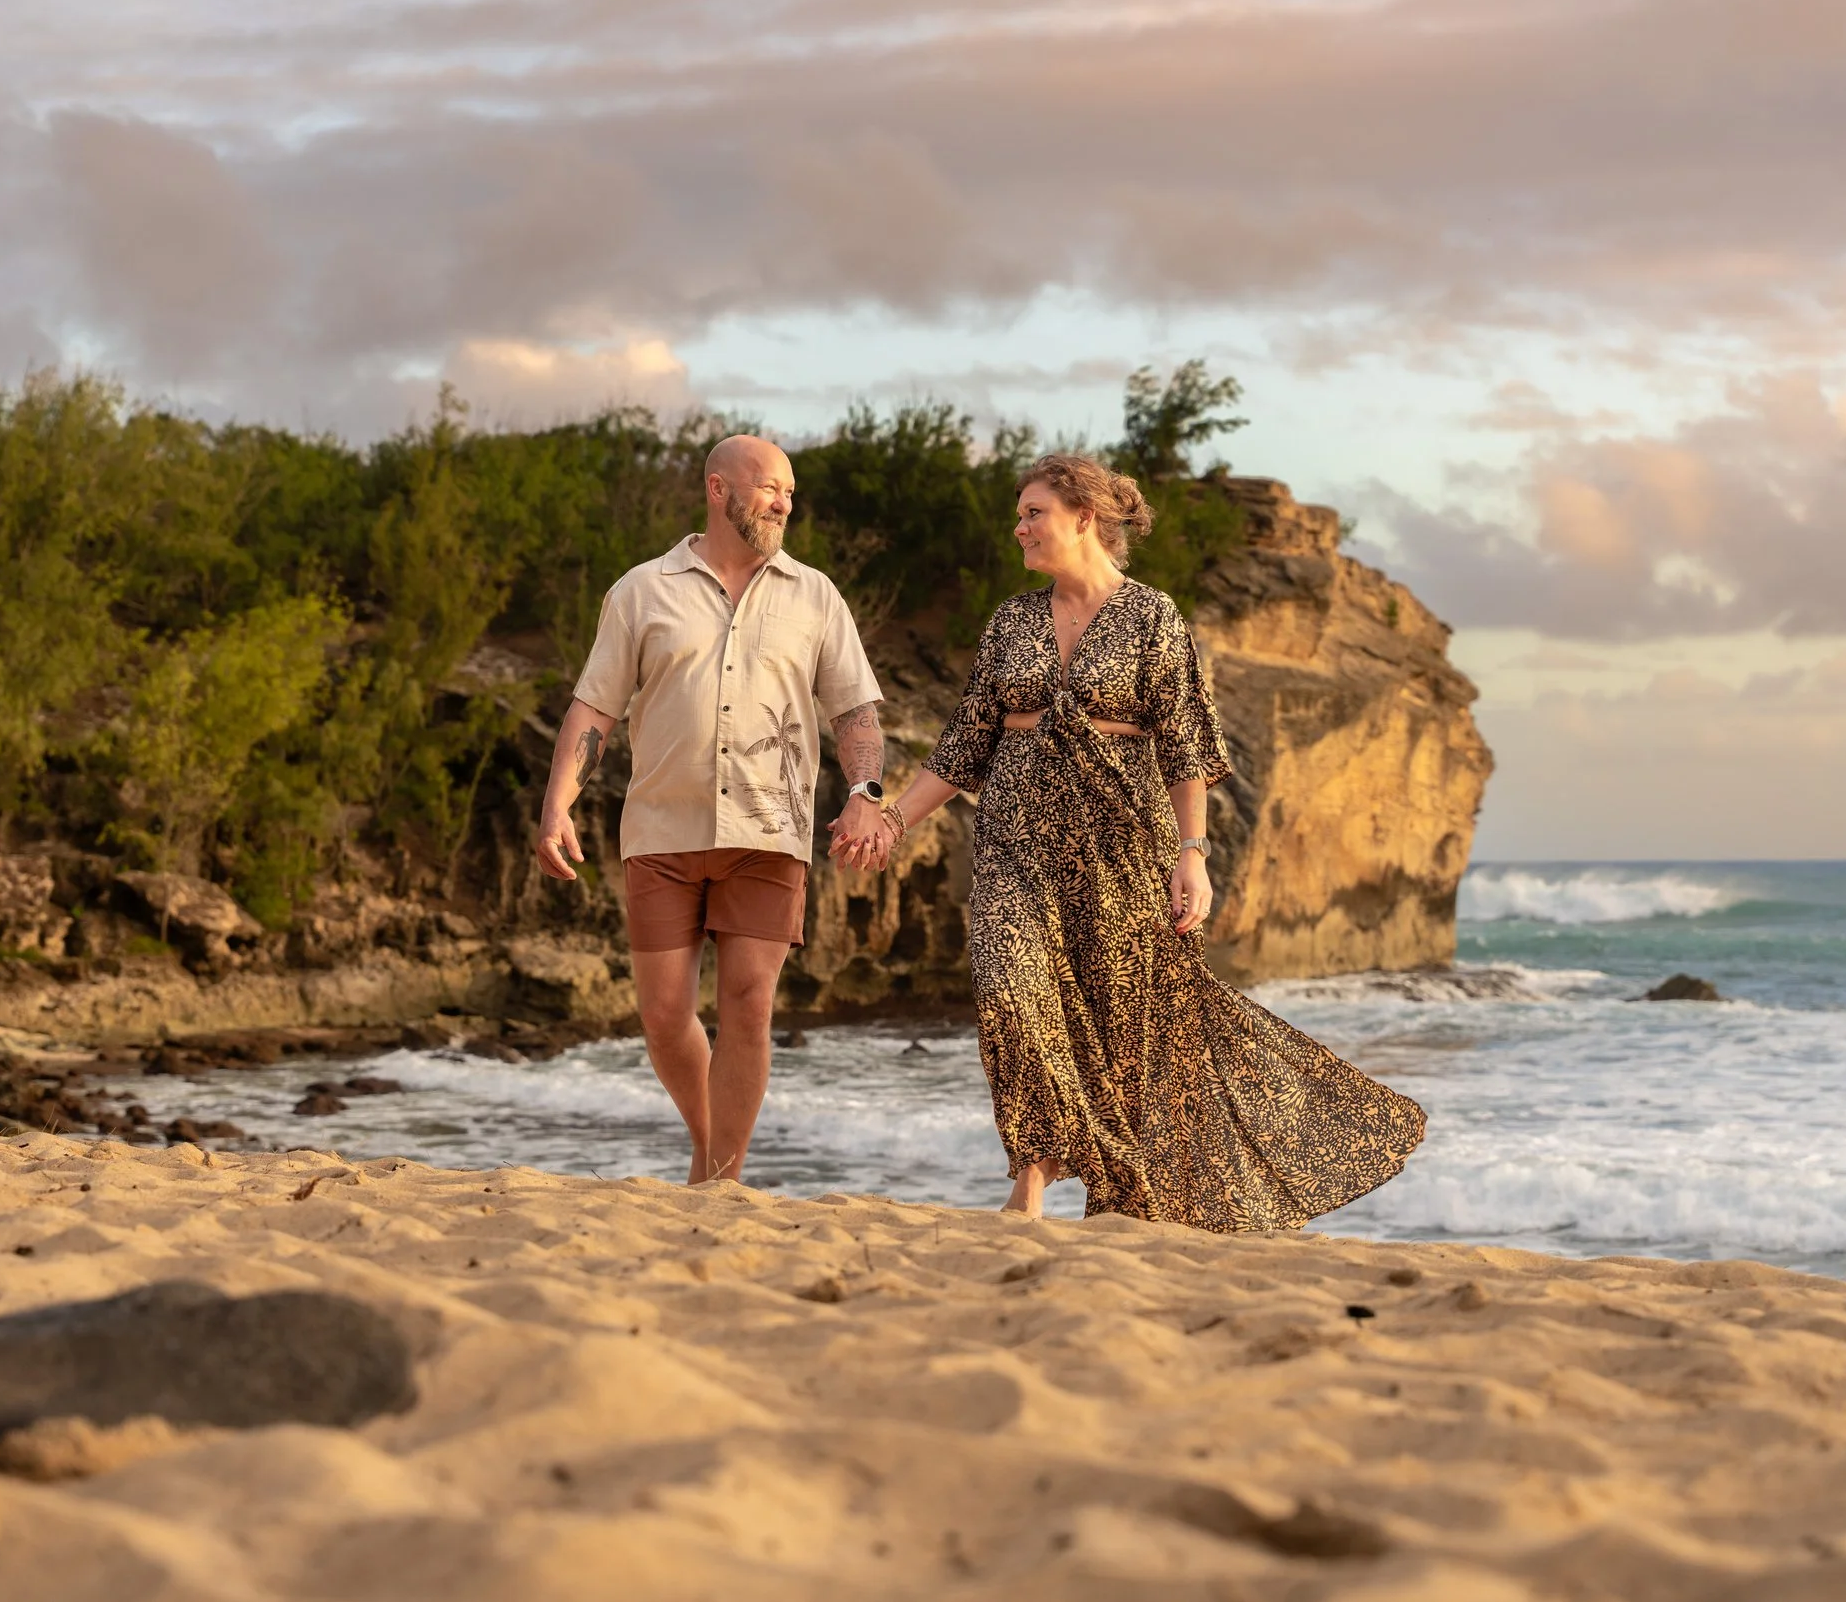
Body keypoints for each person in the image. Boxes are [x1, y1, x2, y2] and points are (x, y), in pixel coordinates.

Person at [835, 453, 1424, 1232]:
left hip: (1121, 846)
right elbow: (962, 747)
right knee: (1012, 991)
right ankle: (1034, 1178)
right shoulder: (1011, 620)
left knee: (1122, 1023)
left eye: (1033, 512)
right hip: (1016, 839)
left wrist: (1193, 852)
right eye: (1020, 513)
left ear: (1085, 518)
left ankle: (1119, 1191)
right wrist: (893, 819)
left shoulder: (1152, 617)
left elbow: (1184, 747)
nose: (1019, 526)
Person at [537, 435, 890, 1185]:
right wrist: (556, 806)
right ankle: (708, 1142)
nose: (784, 503)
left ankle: (722, 1177)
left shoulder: (815, 594)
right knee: (665, 1016)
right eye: (769, 488)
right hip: (661, 828)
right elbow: (595, 708)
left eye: (790, 492)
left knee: (749, 1004)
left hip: (770, 830)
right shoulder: (642, 590)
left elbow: (856, 713)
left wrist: (865, 795)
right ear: (717, 487)